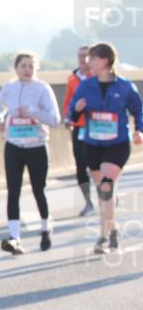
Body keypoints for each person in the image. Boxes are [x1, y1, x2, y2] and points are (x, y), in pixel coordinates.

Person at [68, 42, 143, 254]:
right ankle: (112, 228)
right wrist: (77, 109)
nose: (87, 62)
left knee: (107, 186)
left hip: (117, 143)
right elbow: (72, 116)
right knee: (103, 190)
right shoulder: (85, 86)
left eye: (92, 58)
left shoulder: (125, 86)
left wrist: (139, 130)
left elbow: (138, 110)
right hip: (93, 144)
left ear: (105, 61)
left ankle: (103, 235)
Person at [0, 52, 61, 255]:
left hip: (37, 145)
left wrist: (33, 111)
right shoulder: (9, 88)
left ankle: (45, 228)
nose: (27, 69)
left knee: (39, 190)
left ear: (36, 69)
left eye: (31, 66)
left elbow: (55, 119)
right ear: (16, 68)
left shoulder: (43, 89)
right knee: (13, 191)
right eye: (23, 66)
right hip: (13, 144)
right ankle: (15, 238)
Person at [62, 45, 95, 217]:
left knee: (100, 165)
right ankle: (88, 202)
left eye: (86, 56)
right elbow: (68, 101)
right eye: (80, 55)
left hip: (97, 127)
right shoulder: (72, 79)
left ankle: (110, 193)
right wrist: (68, 117)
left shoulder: (98, 77)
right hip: (79, 128)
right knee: (81, 166)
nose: (83, 59)